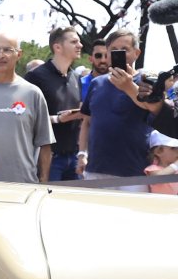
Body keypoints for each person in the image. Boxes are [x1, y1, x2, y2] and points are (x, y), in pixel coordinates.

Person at [0, 33, 54, 183]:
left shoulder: (33, 93)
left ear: (19, 54)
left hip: (23, 183)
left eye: (7, 50)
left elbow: (44, 143)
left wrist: (43, 179)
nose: (0, 55)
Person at [77, 29, 153, 191]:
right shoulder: (96, 83)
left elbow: (153, 109)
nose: (119, 53)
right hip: (96, 170)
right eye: (113, 50)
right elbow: (87, 122)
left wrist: (129, 86)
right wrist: (82, 154)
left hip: (133, 173)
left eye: (124, 49)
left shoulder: (147, 83)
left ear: (136, 53)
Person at [23, 26, 84, 181]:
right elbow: (24, 118)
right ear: (57, 47)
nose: (80, 45)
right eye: (74, 42)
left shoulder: (75, 77)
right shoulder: (35, 77)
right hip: (48, 158)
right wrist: (57, 119)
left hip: (74, 157)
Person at [145, 130, 178, 195]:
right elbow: (157, 178)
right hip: (159, 203)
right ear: (159, 151)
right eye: (174, 148)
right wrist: (176, 165)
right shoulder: (153, 169)